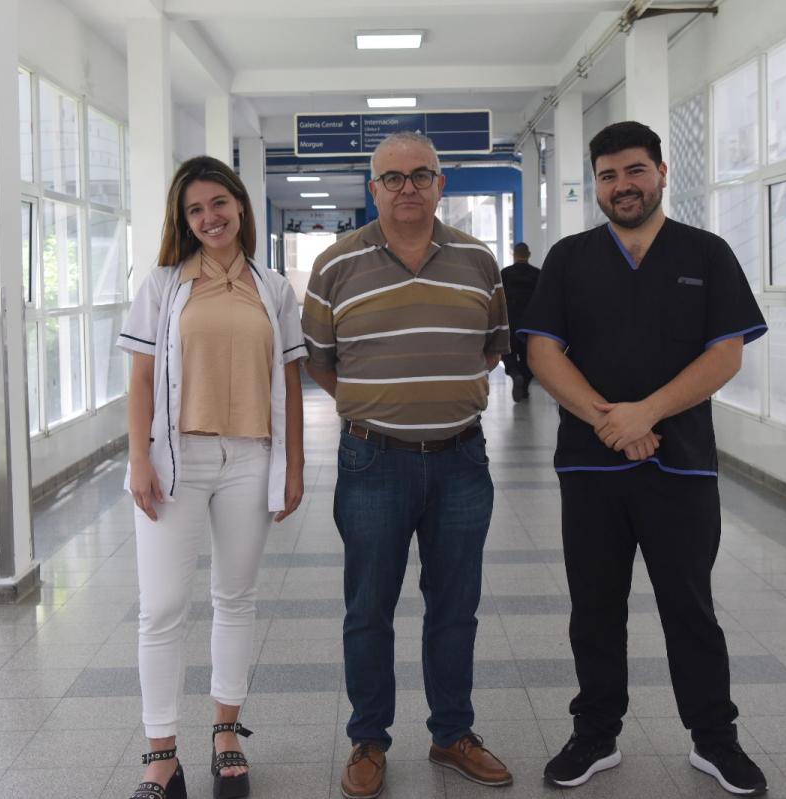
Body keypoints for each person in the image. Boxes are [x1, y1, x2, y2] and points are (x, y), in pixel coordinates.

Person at [521, 121, 769, 796]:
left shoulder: (706, 253)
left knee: (689, 605)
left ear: (662, 172)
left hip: (680, 464)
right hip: (592, 467)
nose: (622, 185)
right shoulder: (570, 258)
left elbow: (725, 353)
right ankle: (595, 733)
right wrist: (610, 420)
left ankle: (714, 738)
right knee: (594, 607)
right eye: (608, 175)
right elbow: (543, 350)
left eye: (634, 171)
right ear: (595, 184)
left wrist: (645, 413)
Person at [301, 131, 513, 799]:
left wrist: (436, 395)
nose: (408, 187)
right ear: (373, 190)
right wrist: (378, 406)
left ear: (441, 184)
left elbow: (491, 348)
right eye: (392, 178)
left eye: (421, 174)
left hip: (461, 460)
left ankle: (452, 733)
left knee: (456, 608)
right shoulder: (335, 264)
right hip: (373, 460)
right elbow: (321, 362)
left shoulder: (480, 261)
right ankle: (369, 738)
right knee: (368, 607)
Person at [117, 155, 306, 799]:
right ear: (183, 219)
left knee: (235, 596)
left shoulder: (273, 288)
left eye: (218, 204)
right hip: (177, 461)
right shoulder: (166, 282)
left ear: (240, 206)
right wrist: (138, 458)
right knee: (162, 608)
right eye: (195, 209)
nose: (209, 218)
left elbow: (289, 381)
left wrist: (295, 467)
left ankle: (227, 734)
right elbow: (141, 375)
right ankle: (161, 755)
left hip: (250, 460)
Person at [500, 242, 541, 401]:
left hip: (510, 322)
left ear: (514, 255)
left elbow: (498, 299)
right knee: (528, 357)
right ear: (529, 254)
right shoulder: (538, 274)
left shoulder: (505, 274)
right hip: (531, 325)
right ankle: (524, 388)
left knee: (508, 354)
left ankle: (515, 374)